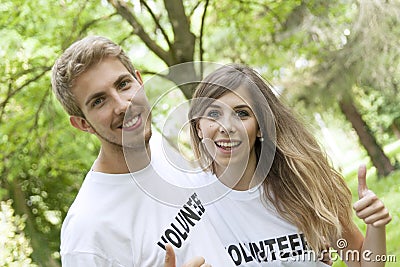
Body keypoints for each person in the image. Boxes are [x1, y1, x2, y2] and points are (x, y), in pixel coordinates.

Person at [51, 36, 235, 266]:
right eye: (99, 101)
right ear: (82, 123)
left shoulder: (160, 147)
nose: (122, 105)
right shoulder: (87, 233)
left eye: (123, 84)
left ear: (139, 81)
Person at [188, 64, 392, 266]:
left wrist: (376, 225)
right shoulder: (189, 203)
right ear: (198, 127)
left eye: (242, 114)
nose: (227, 127)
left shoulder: (302, 185)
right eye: (214, 114)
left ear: (260, 127)